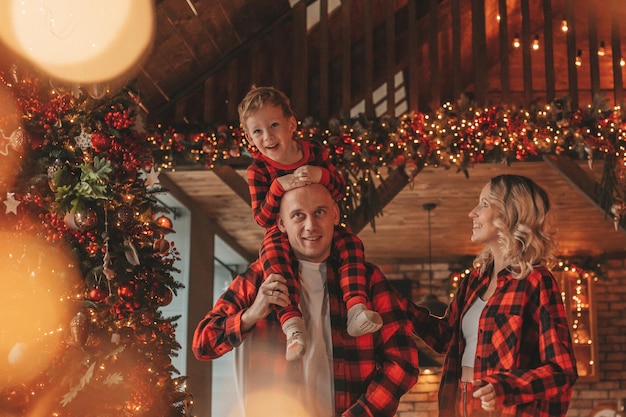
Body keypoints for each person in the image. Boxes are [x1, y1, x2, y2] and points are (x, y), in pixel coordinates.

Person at [192, 183, 419, 417]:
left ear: (335, 214)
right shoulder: (259, 277)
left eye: (319, 212)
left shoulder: (367, 278)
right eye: (298, 215)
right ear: (281, 223)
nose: (310, 226)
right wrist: (252, 314)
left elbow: (403, 363)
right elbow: (203, 343)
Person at [409, 174, 578, 416]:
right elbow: (444, 338)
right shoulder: (474, 281)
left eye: (484, 204)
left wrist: (504, 388)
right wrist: (393, 302)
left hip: (506, 410)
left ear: (510, 214)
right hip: (460, 404)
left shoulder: (536, 280)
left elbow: (562, 370)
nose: (472, 213)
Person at [239, 86, 381, 361]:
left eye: (274, 125)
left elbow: (338, 189)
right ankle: (292, 323)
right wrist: (277, 188)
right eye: (257, 131)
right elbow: (262, 218)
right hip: (279, 234)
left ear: (291, 124)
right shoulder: (258, 171)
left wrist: (321, 174)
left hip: (320, 223)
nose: (267, 136)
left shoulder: (313, 151)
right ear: (249, 136)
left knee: (351, 243)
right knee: (272, 255)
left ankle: (355, 309)